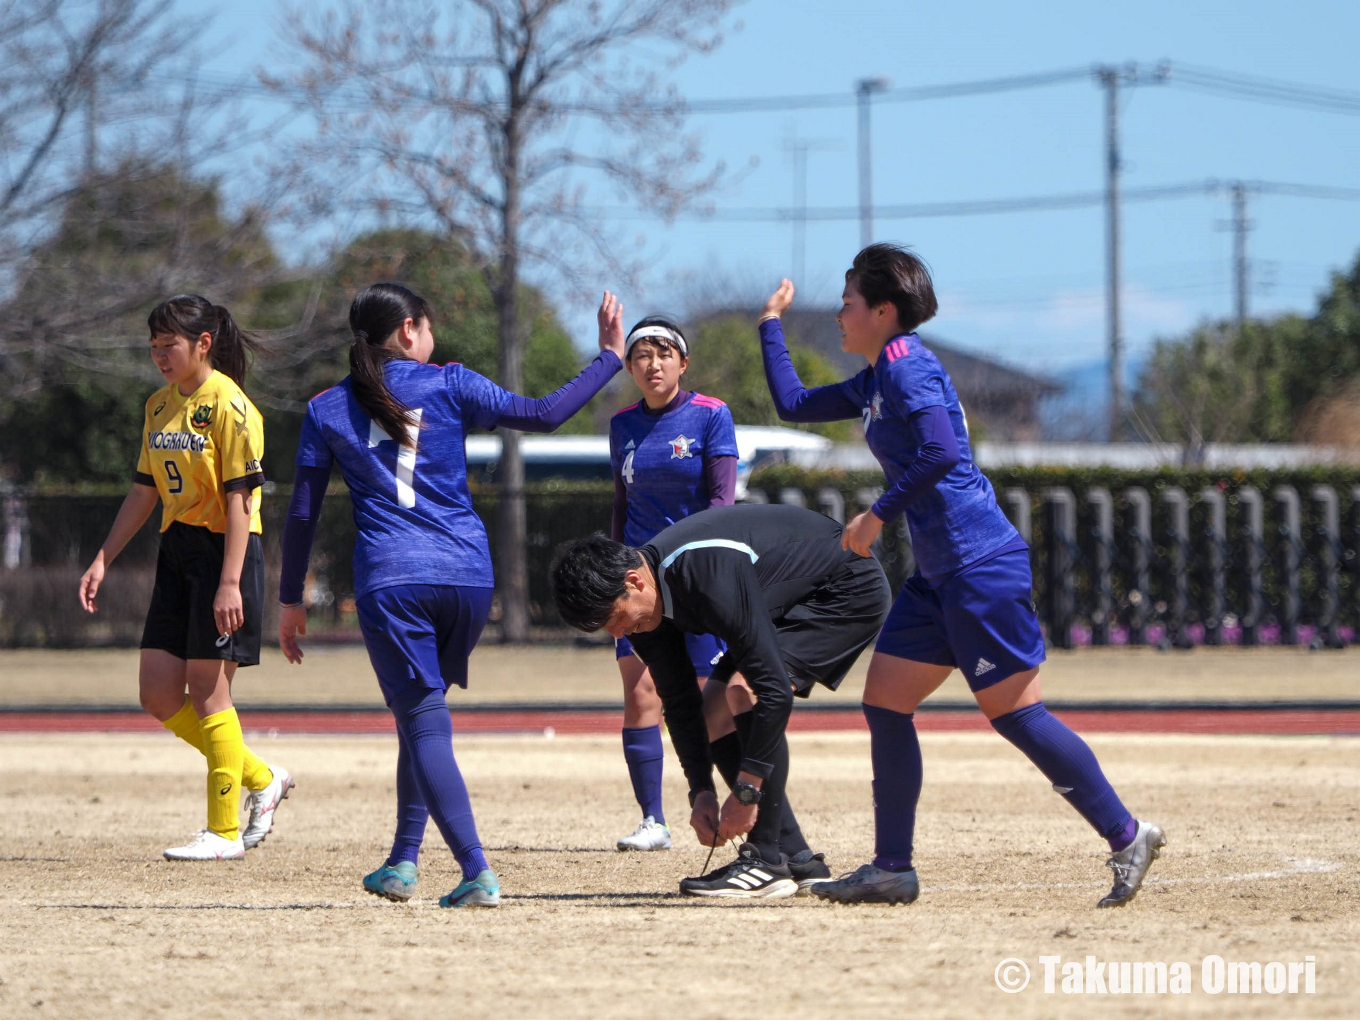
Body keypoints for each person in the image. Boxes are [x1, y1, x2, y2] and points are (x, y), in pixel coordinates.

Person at [756, 243, 1165, 908]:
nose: (838, 313)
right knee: (885, 702)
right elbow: (793, 403)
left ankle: (1127, 835)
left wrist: (877, 515)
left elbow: (943, 453)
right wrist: (770, 327)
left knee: (1017, 715)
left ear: (882, 311)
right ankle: (892, 868)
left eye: (848, 301)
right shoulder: (876, 378)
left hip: (979, 568)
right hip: (941, 577)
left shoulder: (907, 366)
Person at [278, 282, 626, 908]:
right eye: (429, 326)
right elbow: (544, 413)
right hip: (468, 577)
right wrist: (608, 357)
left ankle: (476, 871)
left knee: (422, 720)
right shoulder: (451, 382)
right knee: (422, 717)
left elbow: (302, 512)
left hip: (394, 579)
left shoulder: (326, 407)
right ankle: (402, 862)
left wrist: (289, 596)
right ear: (409, 330)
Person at [551, 503, 892, 898]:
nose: (620, 632)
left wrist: (746, 793)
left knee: (744, 689)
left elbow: (775, 691)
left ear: (634, 581)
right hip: (787, 597)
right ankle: (797, 857)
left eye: (616, 618)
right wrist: (701, 791)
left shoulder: (704, 573)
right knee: (713, 709)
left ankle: (766, 858)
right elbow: (678, 700)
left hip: (845, 589)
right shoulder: (641, 610)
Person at [78, 295, 293, 861]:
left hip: (227, 553)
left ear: (203, 344)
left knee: (208, 691)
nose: (159, 356)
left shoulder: (232, 407)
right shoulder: (157, 407)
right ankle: (262, 778)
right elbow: (144, 491)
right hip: (177, 552)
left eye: (168, 345)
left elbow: (242, 501)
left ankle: (223, 833)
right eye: (152, 347)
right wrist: (104, 557)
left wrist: (228, 582)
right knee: (156, 691)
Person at [607, 313, 736, 852]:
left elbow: (723, 502)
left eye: (663, 354)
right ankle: (653, 821)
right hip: (637, 583)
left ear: (683, 363)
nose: (652, 364)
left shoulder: (711, 415)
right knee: (640, 694)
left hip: (695, 579)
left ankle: (741, 807)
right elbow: (621, 504)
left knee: (713, 700)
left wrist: (696, 565)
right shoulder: (621, 425)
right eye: (641, 355)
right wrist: (617, 569)